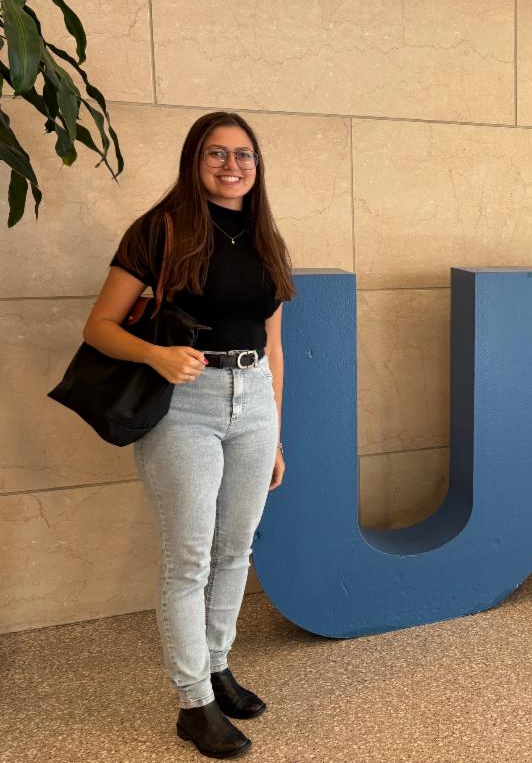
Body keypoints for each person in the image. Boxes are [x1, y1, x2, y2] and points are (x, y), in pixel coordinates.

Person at [82, 111, 296, 759]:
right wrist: (156, 356)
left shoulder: (265, 237)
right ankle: (192, 701)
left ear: (257, 166)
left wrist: (276, 433)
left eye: (244, 155)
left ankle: (217, 665)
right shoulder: (160, 231)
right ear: (194, 161)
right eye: (216, 154)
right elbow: (101, 326)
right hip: (184, 409)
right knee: (190, 558)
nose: (232, 166)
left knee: (236, 550)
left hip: (254, 403)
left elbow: (274, 343)